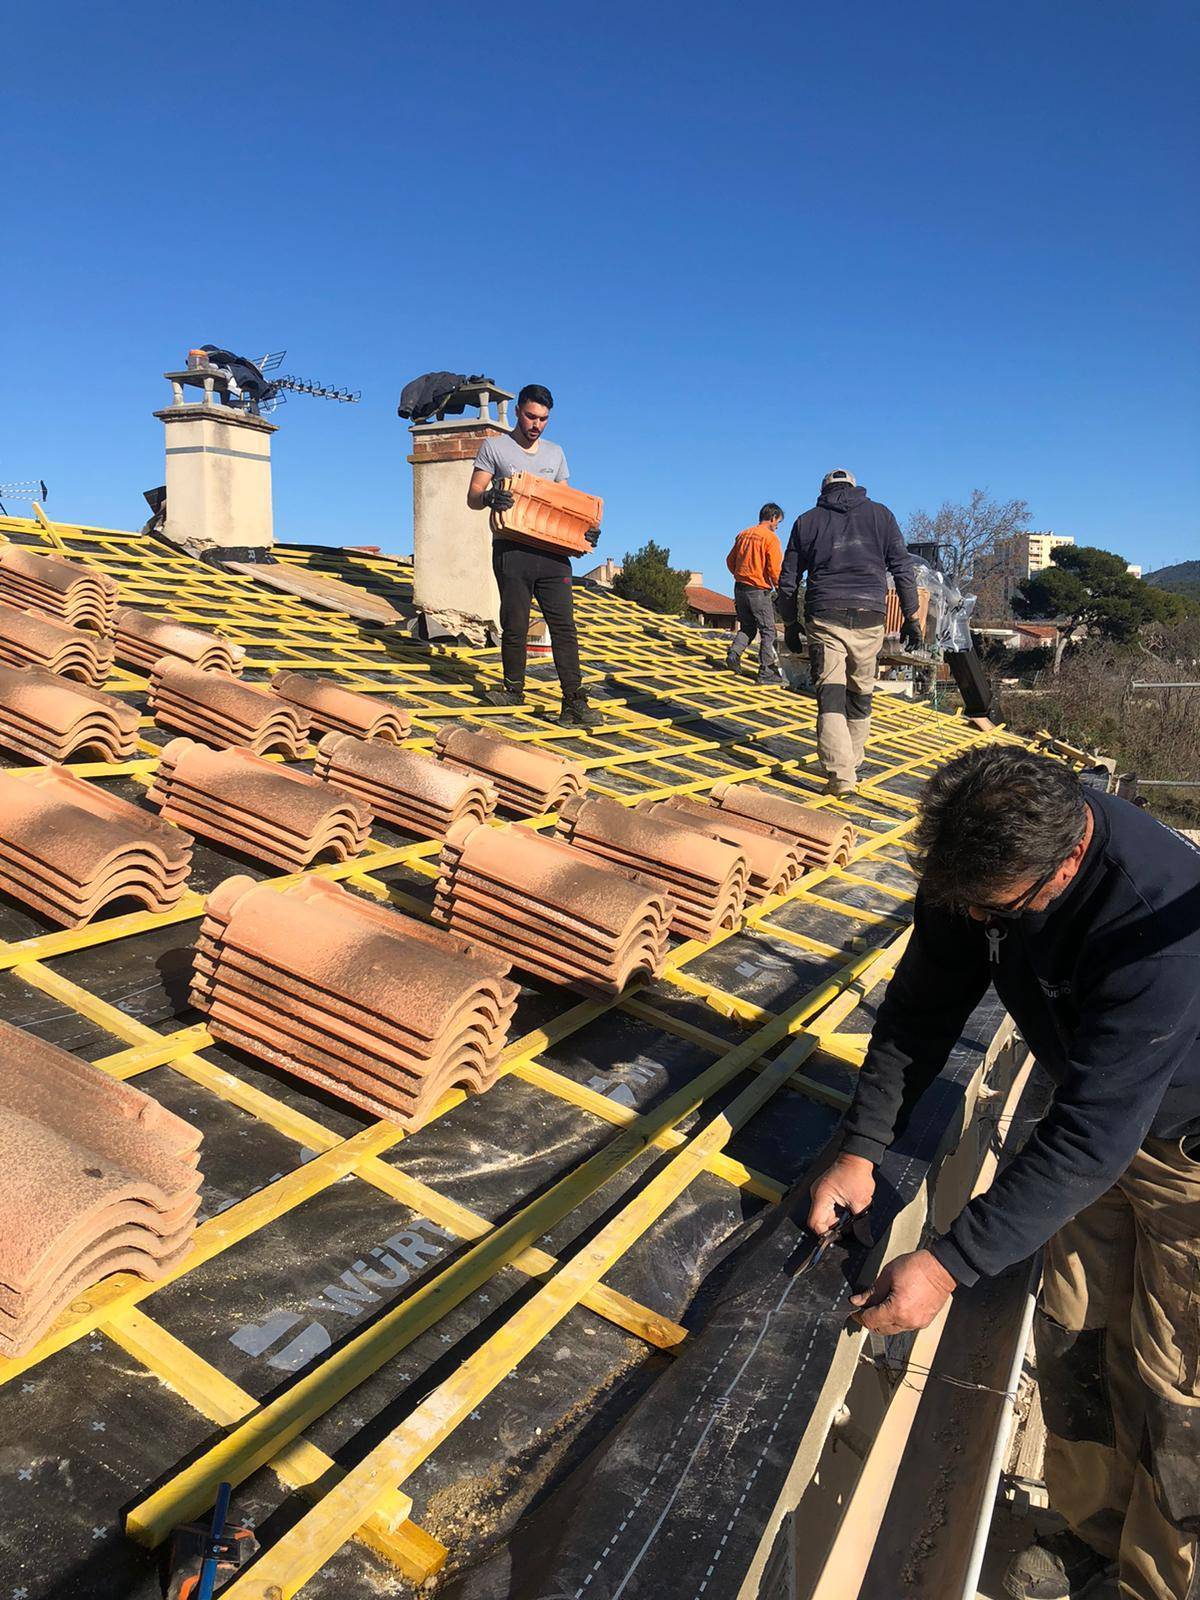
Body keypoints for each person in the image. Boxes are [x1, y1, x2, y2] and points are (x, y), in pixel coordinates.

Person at [807, 748, 1200, 1600]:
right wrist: (861, 1145)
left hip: (1186, 1160)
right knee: (1080, 1335)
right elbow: (920, 1009)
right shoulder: (978, 866)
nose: (985, 921)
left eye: (1003, 910)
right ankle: (1093, 1536)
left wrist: (947, 1264)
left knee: (1180, 1388)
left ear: (1065, 864)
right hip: (1100, 1125)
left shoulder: (1155, 914)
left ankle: (1159, 1583)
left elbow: (1096, 1133)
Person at [777, 469, 923, 796]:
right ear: (855, 488)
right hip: (870, 616)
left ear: (823, 490)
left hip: (825, 615)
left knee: (830, 695)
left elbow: (788, 581)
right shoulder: (881, 516)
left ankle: (842, 778)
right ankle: (852, 763)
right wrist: (912, 617)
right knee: (860, 694)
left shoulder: (807, 521)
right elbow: (903, 567)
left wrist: (789, 624)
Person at [467, 383, 600, 727]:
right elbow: (473, 494)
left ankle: (574, 700)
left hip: (553, 555)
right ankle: (513, 689)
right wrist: (489, 498)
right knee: (515, 623)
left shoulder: (555, 454)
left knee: (564, 627)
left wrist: (583, 530)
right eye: (530, 416)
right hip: (513, 550)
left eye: (543, 419)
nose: (536, 424)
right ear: (518, 413)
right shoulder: (494, 448)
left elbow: (565, 503)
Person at [724, 503, 785, 684]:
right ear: (773, 517)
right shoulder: (770, 539)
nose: (777, 526)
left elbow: (730, 561)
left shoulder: (743, 534)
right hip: (758, 590)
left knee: (748, 627)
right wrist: (781, 590)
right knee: (768, 631)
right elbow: (774, 569)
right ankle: (766, 672)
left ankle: (734, 654)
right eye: (778, 522)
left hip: (740, 588)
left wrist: (740, 575)